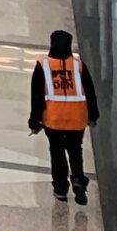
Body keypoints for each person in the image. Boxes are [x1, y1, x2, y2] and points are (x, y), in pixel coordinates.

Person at [28, 29, 99, 203]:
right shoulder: (78, 66)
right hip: (77, 118)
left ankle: (60, 188)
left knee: (57, 152)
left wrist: (34, 120)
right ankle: (77, 178)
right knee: (75, 149)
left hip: (53, 118)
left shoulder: (43, 65)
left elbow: (36, 95)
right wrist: (93, 115)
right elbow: (90, 91)